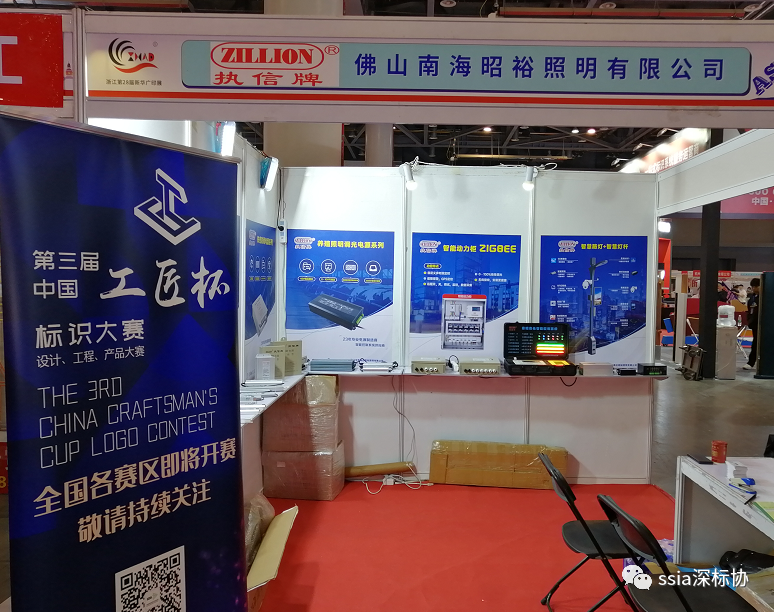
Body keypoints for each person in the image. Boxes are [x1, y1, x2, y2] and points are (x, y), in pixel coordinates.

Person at [744, 277, 761, 370]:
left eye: (756, 286)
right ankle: (751, 362)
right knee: (755, 343)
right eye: (753, 287)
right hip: (755, 324)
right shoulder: (752, 298)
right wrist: (750, 321)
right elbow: (749, 311)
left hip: (765, 324)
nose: (754, 288)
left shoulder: (766, 297)